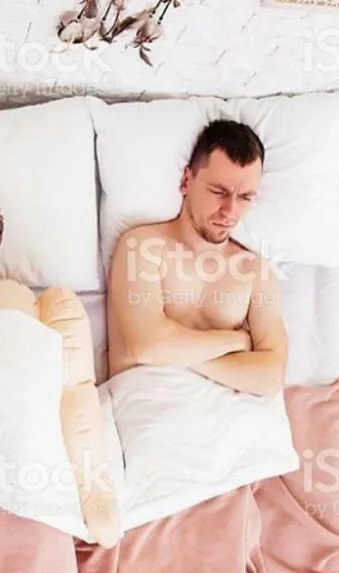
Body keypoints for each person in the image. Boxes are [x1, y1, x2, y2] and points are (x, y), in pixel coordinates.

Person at [108, 119, 287, 397]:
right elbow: (146, 346)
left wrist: (176, 353)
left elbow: (271, 378)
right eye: (219, 192)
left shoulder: (254, 272)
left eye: (245, 197)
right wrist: (236, 340)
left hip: (234, 414)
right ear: (185, 181)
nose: (230, 211)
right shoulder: (142, 246)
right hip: (148, 404)